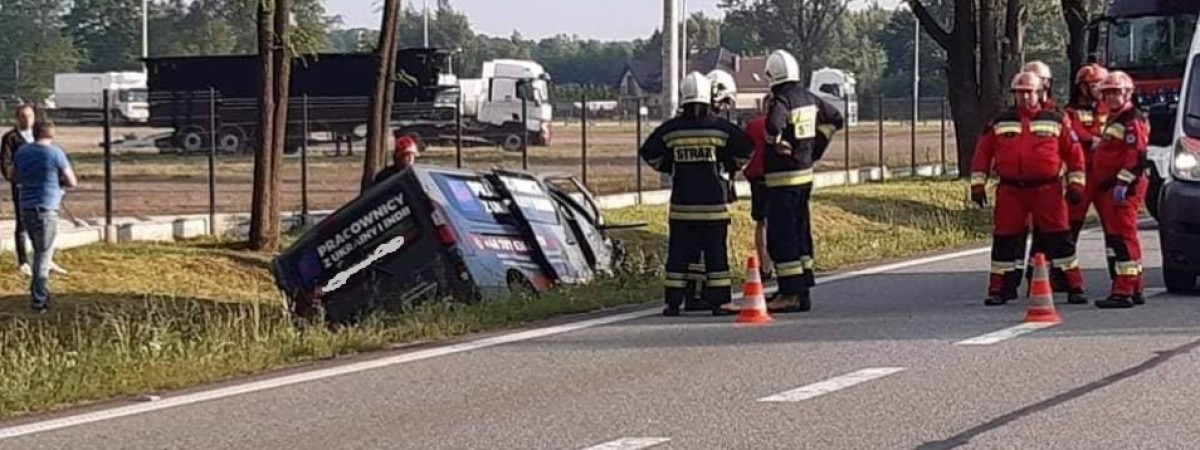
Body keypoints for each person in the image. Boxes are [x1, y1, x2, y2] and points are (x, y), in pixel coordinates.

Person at [639, 71, 753, 317]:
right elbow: (745, 149)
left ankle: (673, 303)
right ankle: (720, 302)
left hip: (681, 207)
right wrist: (730, 167)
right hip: (713, 207)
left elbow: (649, 152)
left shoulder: (672, 130)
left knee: (678, 255)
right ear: (707, 97)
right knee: (716, 255)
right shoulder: (720, 128)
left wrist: (669, 167)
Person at [970, 71, 1088, 306]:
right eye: (1020, 93)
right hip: (1011, 191)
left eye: (1029, 93)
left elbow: (1074, 154)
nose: (1024, 98)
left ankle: (1074, 286)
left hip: (1048, 190)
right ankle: (1000, 289)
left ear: (1040, 93)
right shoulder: (1000, 122)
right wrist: (977, 184)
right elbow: (983, 153)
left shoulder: (1055, 120)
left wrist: (1076, 184)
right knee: (1005, 239)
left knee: (1060, 238)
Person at [760, 49, 845, 313]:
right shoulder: (810, 98)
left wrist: (776, 142)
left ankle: (790, 293)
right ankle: (802, 287)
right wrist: (817, 146)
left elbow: (773, 127)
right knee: (800, 232)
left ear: (773, 74)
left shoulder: (781, 100)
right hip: (805, 176)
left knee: (782, 236)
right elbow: (835, 119)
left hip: (783, 180)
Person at [1089, 71, 1150, 309]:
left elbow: (1136, 155)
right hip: (1113, 186)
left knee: (1122, 238)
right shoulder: (1117, 118)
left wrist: (1124, 182)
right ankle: (1134, 287)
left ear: (1127, 93)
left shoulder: (1131, 119)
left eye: (1115, 93)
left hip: (1124, 186)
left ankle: (1123, 290)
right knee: (1122, 237)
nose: (1111, 97)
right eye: (1108, 93)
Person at [11, 121, 77, 312]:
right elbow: (72, 181)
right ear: (51, 134)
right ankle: (38, 298)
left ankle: (38, 290)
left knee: (36, 248)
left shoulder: (22, 152)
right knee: (44, 254)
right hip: (46, 207)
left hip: (26, 206)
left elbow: (15, 176)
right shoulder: (55, 153)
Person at [1064, 63, 1110, 243]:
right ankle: (1062, 265)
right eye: (1095, 85)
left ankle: (1118, 266)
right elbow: (1075, 132)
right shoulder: (1070, 112)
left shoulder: (1107, 109)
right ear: (1082, 88)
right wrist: (1094, 140)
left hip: (1105, 174)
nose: (1100, 89)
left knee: (1113, 223)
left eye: (1102, 84)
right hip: (1083, 175)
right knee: (1072, 220)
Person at [742, 93, 774, 281]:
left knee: (761, 222)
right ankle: (780, 263)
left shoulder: (753, 125)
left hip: (758, 179)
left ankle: (765, 263)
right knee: (779, 223)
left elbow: (745, 151)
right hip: (778, 179)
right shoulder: (783, 124)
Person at [1, 104, 35, 274]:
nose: (27, 119)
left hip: (39, 186)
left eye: (30, 116)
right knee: (22, 223)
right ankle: (24, 261)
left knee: (40, 223)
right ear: (17, 118)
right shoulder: (11, 138)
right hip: (22, 186)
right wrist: (17, 179)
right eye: (23, 116)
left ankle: (42, 259)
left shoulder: (38, 135)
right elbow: (6, 165)